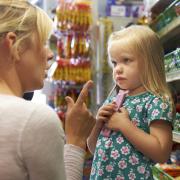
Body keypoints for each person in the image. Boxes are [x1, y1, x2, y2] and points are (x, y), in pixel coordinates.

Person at [0, 1, 95, 180]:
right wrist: (76, 140)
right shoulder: (34, 120)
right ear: (14, 45)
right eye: (43, 42)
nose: (50, 54)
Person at [87, 25, 174, 179]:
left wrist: (125, 126)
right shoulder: (114, 99)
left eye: (126, 60)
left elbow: (161, 153)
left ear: (149, 62)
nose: (117, 69)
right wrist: (97, 124)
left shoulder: (156, 102)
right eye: (114, 63)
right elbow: (95, 149)